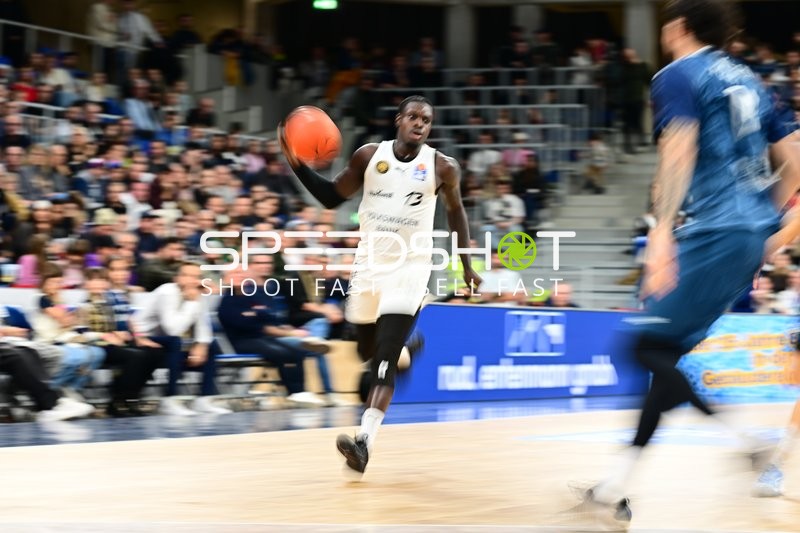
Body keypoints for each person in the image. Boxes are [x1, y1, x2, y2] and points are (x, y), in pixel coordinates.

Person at [577, 0, 800, 523]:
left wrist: (659, 236)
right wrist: (768, 230)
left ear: (677, 28)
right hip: (749, 233)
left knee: (641, 347)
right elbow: (794, 163)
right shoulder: (750, 78)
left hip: (713, 230)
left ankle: (746, 440)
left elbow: (678, 151)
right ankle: (614, 489)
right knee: (664, 357)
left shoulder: (678, 74)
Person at [279, 95, 481, 475]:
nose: (420, 124)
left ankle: (364, 442)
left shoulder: (442, 167)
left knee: (383, 361)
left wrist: (466, 266)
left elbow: (456, 215)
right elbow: (329, 196)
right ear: (398, 120)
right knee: (367, 355)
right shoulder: (369, 156)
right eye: (413, 117)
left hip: (410, 267)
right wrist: (296, 162)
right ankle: (407, 352)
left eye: (426, 119)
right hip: (369, 267)